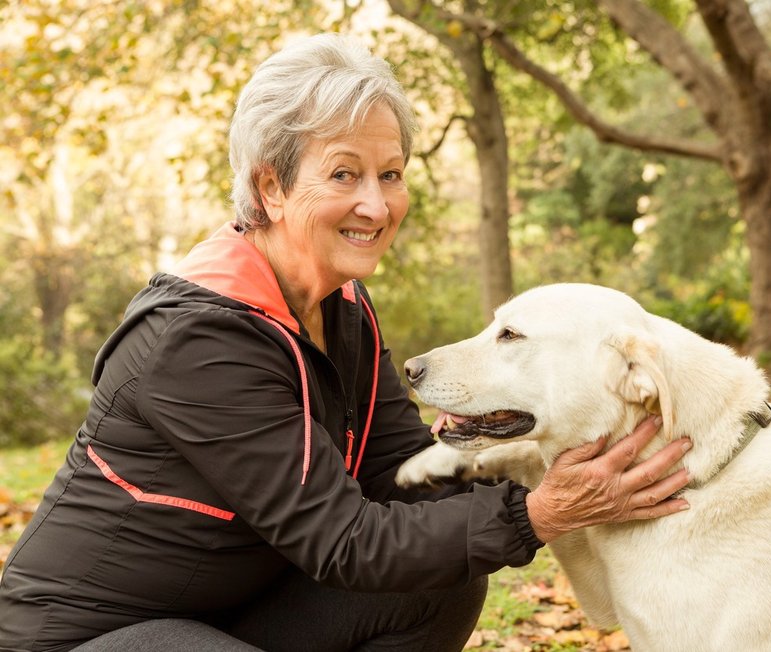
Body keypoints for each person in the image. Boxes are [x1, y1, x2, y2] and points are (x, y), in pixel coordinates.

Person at [0, 33, 692, 652]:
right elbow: (345, 541)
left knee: (439, 584)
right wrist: (537, 514)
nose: (377, 204)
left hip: (234, 611)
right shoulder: (196, 341)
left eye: (390, 173)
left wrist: (548, 442)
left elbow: (401, 471)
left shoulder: (342, 305)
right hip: (95, 633)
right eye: (343, 174)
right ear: (269, 186)